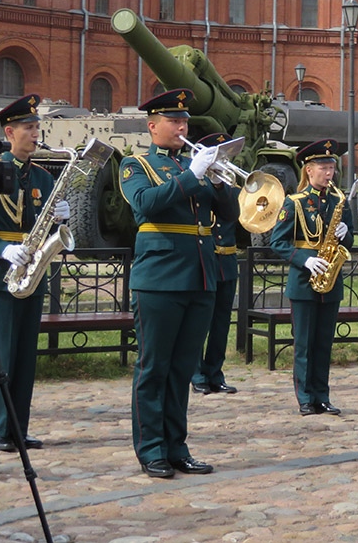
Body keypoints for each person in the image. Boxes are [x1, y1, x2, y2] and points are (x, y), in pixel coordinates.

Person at [120, 88, 234, 478]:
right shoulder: (135, 164)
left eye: (184, 120)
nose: (182, 126)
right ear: (153, 126)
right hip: (160, 277)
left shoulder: (193, 164)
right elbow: (146, 204)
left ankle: (176, 446)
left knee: (183, 368)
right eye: (174, 120)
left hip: (200, 275)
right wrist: (193, 175)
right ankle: (151, 448)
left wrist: (219, 182)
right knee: (154, 367)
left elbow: (231, 214)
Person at [0, 95, 69, 453]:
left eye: (36, 127)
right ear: (9, 132)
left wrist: (62, 218)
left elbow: (44, 227)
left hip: (33, 271)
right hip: (0, 273)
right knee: (4, 355)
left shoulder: (43, 176)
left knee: (26, 356)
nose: (35, 133)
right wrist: (2, 249)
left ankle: (19, 428)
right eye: (28, 128)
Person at [269, 139, 356, 415]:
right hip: (304, 282)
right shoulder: (294, 202)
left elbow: (350, 240)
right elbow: (277, 242)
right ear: (308, 170)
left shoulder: (339, 200)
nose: (329, 173)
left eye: (331, 167)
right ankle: (305, 397)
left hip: (331, 279)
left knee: (324, 344)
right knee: (304, 343)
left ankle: (323, 395)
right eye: (323, 167)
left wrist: (346, 234)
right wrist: (304, 259)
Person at [191, 132, 241, 396]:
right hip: (205, 260)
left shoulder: (228, 187)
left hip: (227, 260)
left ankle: (215, 373)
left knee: (221, 323)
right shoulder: (197, 185)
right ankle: (196, 373)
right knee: (201, 321)